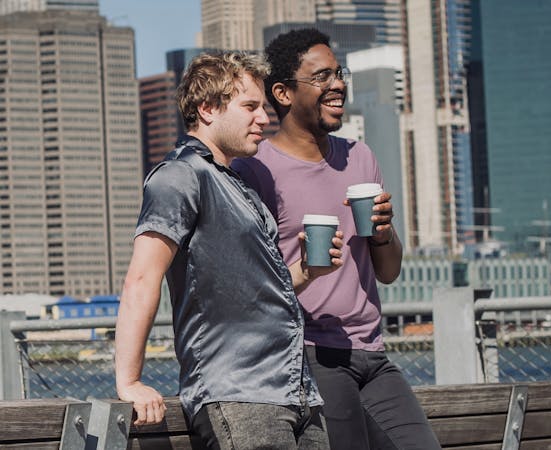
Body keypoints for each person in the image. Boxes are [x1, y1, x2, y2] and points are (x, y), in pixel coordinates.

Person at [114, 51, 343, 449]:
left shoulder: (240, 187)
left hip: (296, 393)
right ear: (207, 108)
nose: (264, 119)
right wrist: (130, 381)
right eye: (250, 106)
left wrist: (306, 270)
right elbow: (142, 277)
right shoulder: (180, 175)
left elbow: (257, 289)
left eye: (264, 108)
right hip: (240, 396)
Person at [232, 29, 441, 449]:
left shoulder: (359, 156)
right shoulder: (255, 171)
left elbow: (388, 272)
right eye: (322, 76)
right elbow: (250, 288)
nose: (339, 84)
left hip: (372, 351)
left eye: (339, 73)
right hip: (309, 353)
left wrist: (383, 234)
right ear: (284, 93)